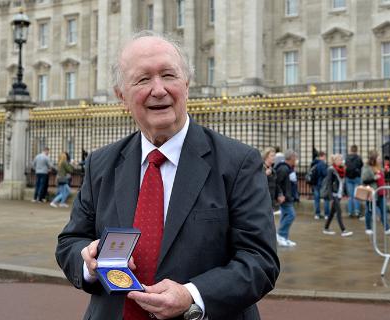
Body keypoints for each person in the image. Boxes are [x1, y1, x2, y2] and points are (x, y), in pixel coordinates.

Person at [56, 31, 279, 320]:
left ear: (186, 84)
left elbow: (260, 261)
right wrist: (88, 261)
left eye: (169, 75)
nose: (158, 89)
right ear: (121, 96)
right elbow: (70, 241)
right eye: (143, 79)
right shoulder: (102, 163)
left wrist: (192, 294)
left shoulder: (238, 162)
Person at [361, 150, 390, 236]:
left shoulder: (379, 166)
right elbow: (364, 180)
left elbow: (382, 176)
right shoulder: (367, 167)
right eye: (379, 158)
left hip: (381, 192)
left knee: (384, 211)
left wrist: (385, 171)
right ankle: (368, 228)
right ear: (374, 158)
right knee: (369, 211)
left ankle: (387, 229)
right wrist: (374, 178)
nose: (380, 159)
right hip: (372, 193)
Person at [321, 154, 353, 237]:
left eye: (341, 159)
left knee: (332, 212)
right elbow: (329, 183)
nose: (341, 161)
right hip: (333, 193)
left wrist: (346, 193)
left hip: (339, 193)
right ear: (334, 161)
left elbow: (343, 182)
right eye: (339, 159)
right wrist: (331, 197)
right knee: (339, 211)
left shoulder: (342, 169)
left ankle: (326, 228)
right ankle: (343, 230)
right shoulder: (331, 170)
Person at [275, 149, 298, 247]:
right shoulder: (283, 169)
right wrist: (280, 195)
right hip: (285, 197)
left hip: (289, 197)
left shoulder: (289, 168)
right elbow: (277, 183)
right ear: (292, 158)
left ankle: (284, 238)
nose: (296, 159)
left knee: (285, 215)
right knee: (291, 215)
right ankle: (280, 235)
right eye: (295, 157)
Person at [263, 147, 285, 212]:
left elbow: (276, 184)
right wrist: (264, 175)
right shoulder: (260, 168)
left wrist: (280, 194)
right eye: (272, 156)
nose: (274, 157)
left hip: (271, 202)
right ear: (266, 156)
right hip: (262, 202)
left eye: (274, 155)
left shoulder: (273, 170)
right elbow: (254, 182)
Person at [345, 145, 363, 218]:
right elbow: (361, 166)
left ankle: (350, 212)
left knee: (350, 196)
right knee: (356, 195)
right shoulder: (359, 158)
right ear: (356, 150)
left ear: (351, 150)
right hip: (356, 177)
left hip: (348, 178)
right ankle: (357, 211)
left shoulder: (347, 157)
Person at [311, 151, 330, 220]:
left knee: (316, 200)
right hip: (322, 183)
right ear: (322, 156)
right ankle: (326, 214)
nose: (325, 158)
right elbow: (324, 173)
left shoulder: (314, 163)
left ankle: (317, 214)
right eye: (325, 156)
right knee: (326, 199)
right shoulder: (322, 164)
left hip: (315, 183)